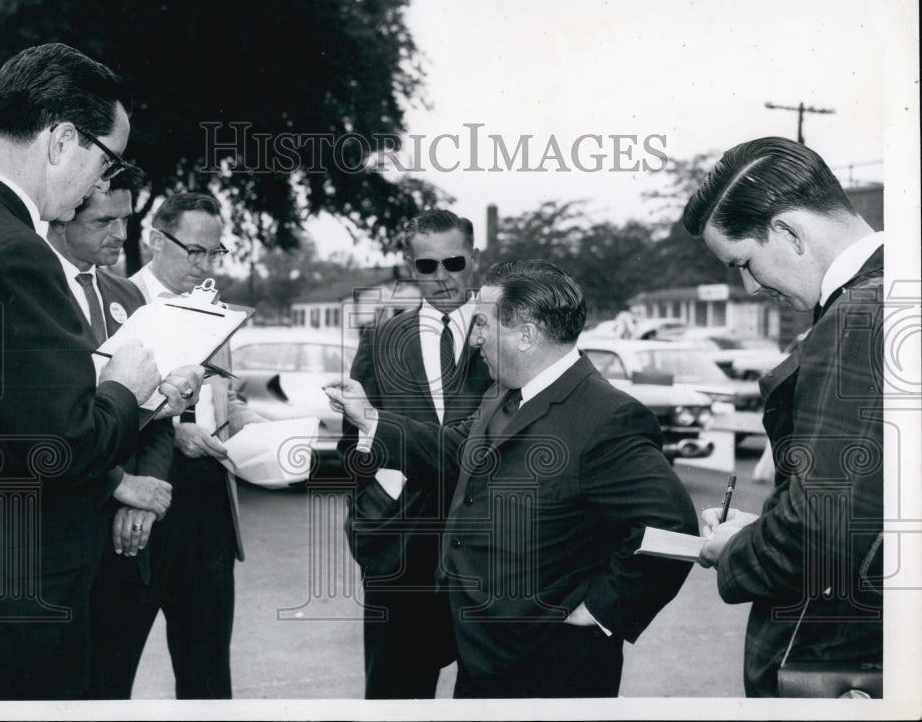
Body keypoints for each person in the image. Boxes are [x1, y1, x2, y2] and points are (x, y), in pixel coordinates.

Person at [0, 43, 202, 700]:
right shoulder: (15, 253)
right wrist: (124, 387)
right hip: (20, 596)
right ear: (62, 141)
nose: (97, 186)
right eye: (106, 161)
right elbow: (61, 445)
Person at [326, 260, 698, 698]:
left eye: (483, 324)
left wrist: (600, 610)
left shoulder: (608, 417)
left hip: (551, 665)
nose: (475, 338)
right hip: (482, 649)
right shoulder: (502, 394)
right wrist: (370, 418)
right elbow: (452, 449)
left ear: (526, 335)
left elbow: (674, 528)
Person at [683, 136, 884, 697]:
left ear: (790, 232)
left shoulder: (860, 315)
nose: (749, 286)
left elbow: (822, 530)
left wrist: (734, 550)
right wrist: (770, 525)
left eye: (744, 263)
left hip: (838, 656)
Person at [338, 210, 493, 699]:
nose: (442, 277)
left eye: (453, 262)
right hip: (399, 553)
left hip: (488, 550)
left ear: (473, 258)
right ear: (411, 267)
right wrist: (370, 514)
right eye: (427, 266)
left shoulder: (505, 333)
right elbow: (352, 446)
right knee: (395, 699)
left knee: (491, 700)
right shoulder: (381, 339)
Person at [44, 167, 178, 697]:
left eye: (126, 219)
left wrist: (146, 498)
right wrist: (120, 484)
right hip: (60, 532)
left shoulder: (130, 297)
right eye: (104, 221)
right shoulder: (34, 287)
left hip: (129, 540)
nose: (121, 234)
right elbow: (43, 422)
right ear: (61, 216)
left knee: (112, 689)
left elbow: (157, 414)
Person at [126, 192, 260, 698]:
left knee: (207, 672)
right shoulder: (118, 301)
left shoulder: (215, 310)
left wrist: (260, 430)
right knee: (112, 666)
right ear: (156, 240)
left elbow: (226, 398)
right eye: (194, 251)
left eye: (214, 253)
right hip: (143, 496)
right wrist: (172, 430)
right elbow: (98, 406)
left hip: (209, 504)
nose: (205, 265)